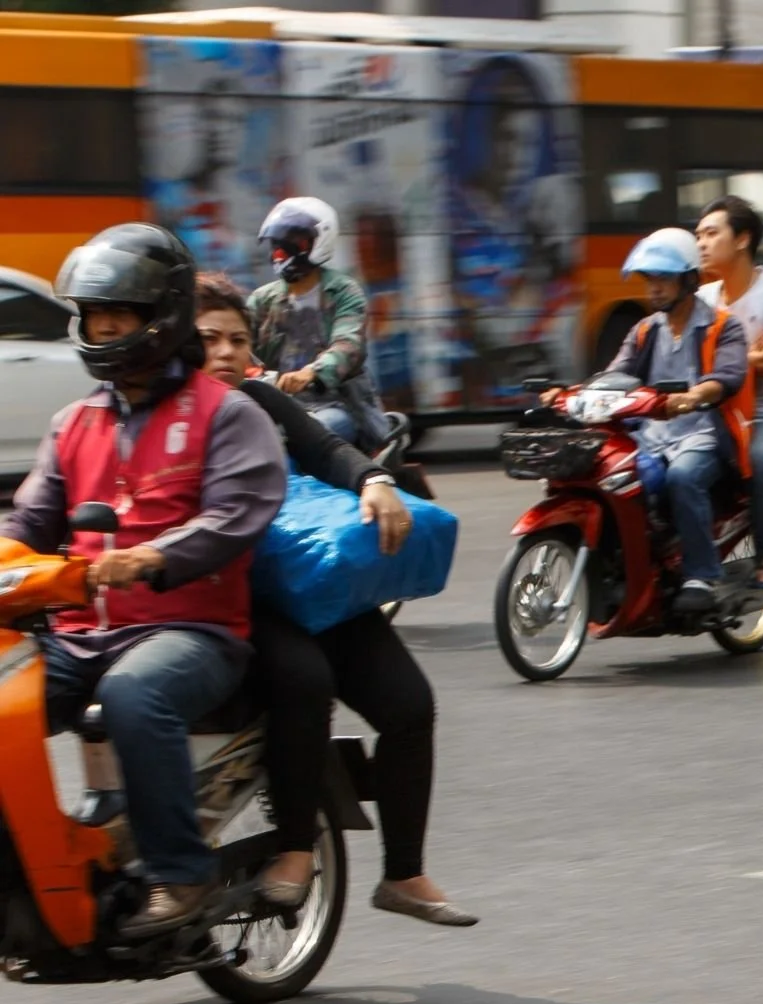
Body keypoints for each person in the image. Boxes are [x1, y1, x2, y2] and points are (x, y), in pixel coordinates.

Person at [1, 224, 286, 938]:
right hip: (79, 632)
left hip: (192, 631)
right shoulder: (73, 423)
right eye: (93, 317)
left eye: (116, 317)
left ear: (158, 319)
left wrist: (152, 557)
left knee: (135, 695)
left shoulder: (229, 414)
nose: (102, 330)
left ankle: (179, 875)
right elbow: (28, 522)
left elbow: (236, 515)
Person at [193, 275, 474, 927]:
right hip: (242, 595)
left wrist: (374, 480)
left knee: (410, 706)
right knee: (305, 681)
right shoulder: (176, 418)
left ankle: (404, 872)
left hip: (313, 579)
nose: (228, 352)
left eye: (239, 339)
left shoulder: (260, 399)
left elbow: (326, 450)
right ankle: (294, 848)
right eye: (211, 339)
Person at [581, 227, 751, 613]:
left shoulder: (724, 326)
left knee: (683, 477)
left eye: (663, 278)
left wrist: (694, 396)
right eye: (649, 279)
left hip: (702, 434)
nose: (654, 288)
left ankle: (701, 575)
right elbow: (615, 373)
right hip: (650, 435)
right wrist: (575, 394)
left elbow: (727, 376)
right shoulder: (643, 330)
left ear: (689, 279)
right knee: (610, 478)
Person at [695, 194, 763, 593]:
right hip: (715, 409)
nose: (702, 244)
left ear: (742, 239)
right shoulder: (702, 300)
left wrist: (725, 359)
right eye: (698, 236)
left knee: (758, 460)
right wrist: (749, 353)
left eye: (712, 233)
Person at [247, 197, 390, 450]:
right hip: (275, 407)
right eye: (277, 244)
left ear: (317, 242)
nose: (281, 252)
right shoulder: (262, 300)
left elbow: (348, 345)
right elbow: (240, 346)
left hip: (336, 405)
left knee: (300, 437)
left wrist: (312, 372)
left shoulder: (344, 291)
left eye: (291, 243)